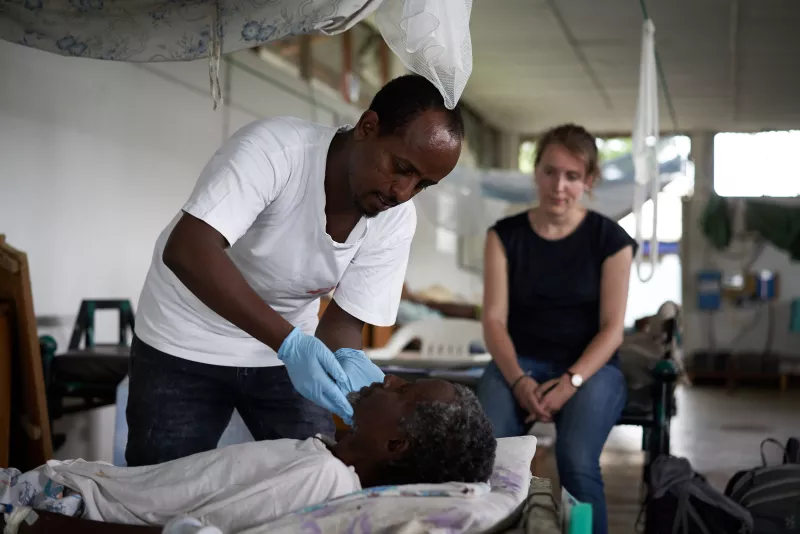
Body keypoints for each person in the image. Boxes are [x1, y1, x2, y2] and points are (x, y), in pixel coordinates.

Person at [126, 74, 465, 467]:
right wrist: (289, 344)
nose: (403, 193)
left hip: (284, 352)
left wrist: (346, 359)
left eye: (423, 185)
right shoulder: (276, 152)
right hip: (184, 337)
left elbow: (343, 322)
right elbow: (188, 249)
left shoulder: (396, 218)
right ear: (368, 127)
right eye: (401, 168)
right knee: (161, 485)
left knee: (315, 471)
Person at [1, 376, 496, 534]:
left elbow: (190, 529)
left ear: (395, 445)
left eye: (403, 391)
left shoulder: (320, 478)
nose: (389, 378)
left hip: (68, 505)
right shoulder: (324, 457)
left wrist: (36, 522)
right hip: (76, 491)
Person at [476, 124, 636, 534]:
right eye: (550, 172)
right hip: (518, 364)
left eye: (572, 175)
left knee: (577, 461)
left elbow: (612, 329)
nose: (558, 186)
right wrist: (517, 380)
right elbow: (493, 320)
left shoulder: (611, 240)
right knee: (489, 458)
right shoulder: (504, 236)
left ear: (589, 181)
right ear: (536, 172)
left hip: (591, 369)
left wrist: (571, 381)